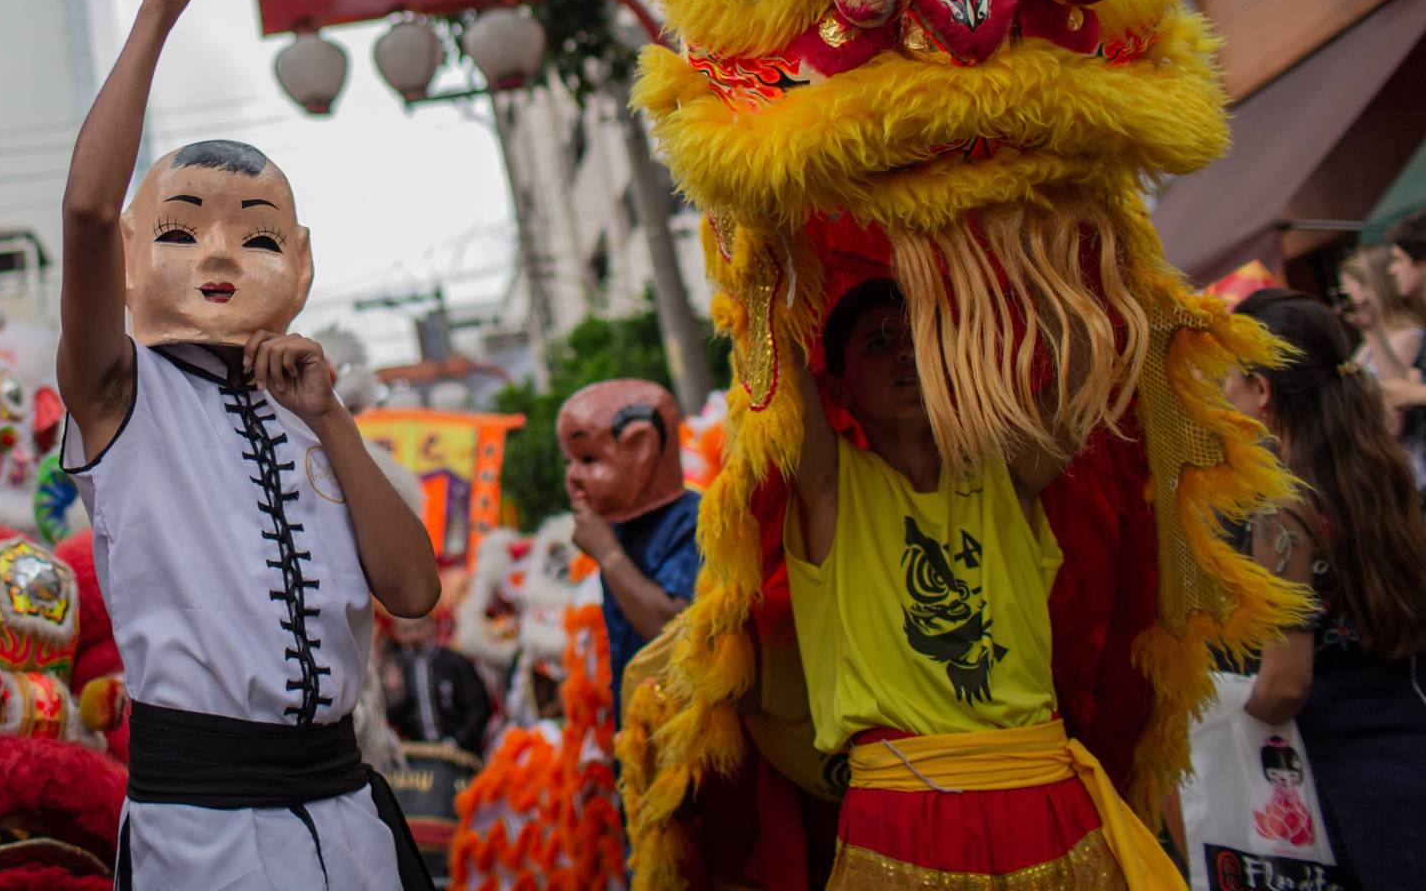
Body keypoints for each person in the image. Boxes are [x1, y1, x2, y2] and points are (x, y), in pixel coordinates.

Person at [56, 0, 443, 890]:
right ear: (139, 257)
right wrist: (157, 13)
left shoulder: (317, 418)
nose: (220, 257)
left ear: (300, 267)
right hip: (204, 831)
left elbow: (416, 591)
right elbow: (84, 211)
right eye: (182, 230)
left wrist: (333, 419)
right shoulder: (123, 396)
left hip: (350, 812)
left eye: (257, 235)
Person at [785, 278, 1176, 890]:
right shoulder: (830, 489)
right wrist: (759, 262)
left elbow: (1085, 354)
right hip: (902, 814)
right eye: (879, 344)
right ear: (838, 388)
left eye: (921, 340)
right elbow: (771, 360)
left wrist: (1043, 233)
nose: (906, 355)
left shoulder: (1009, 471)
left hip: (1043, 799)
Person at [1225, 289, 1426, 887]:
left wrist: (1229, 718)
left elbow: (1286, 685)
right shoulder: (1388, 477)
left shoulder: (1285, 511)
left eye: (1229, 380)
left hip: (1343, 785)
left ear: (1262, 391)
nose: (1222, 395)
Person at [559, 378, 702, 717]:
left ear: (643, 449)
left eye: (589, 459)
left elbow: (670, 633)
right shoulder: (621, 526)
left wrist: (608, 554)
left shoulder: (692, 522)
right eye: (570, 461)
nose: (573, 477)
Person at [1338, 247, 1426, 486]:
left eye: (1349, 289)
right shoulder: (1368, 345)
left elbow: (1393, 416)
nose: (1347, 300)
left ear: (1372, 288)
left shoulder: (1409, 335)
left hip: (1414, 467)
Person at [381, 613, 493, 757]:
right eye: (406, 631)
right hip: (415, 757)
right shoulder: (395, 667)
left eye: (419, 627)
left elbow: (479, 708)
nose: (414, 636)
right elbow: (388, 721)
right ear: (396, 633)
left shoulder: (455, 662)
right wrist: (394, 694)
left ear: (432, 626)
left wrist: (457, 741)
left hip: (460, 753)